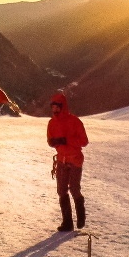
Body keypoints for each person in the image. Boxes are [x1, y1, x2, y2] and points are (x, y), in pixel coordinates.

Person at [47, 91, 89, 232]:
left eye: (57, 107)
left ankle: (81, 216)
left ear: (63, 106)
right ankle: (67, 222)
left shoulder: (75, 121)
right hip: (61, 161)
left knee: (74, 189)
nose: (55, 110)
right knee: (61, 191)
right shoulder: (51, 123)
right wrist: (53, 142)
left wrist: (67, 140)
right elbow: (50, 140)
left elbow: (84, 141)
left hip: (75, 160)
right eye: (53, 107)